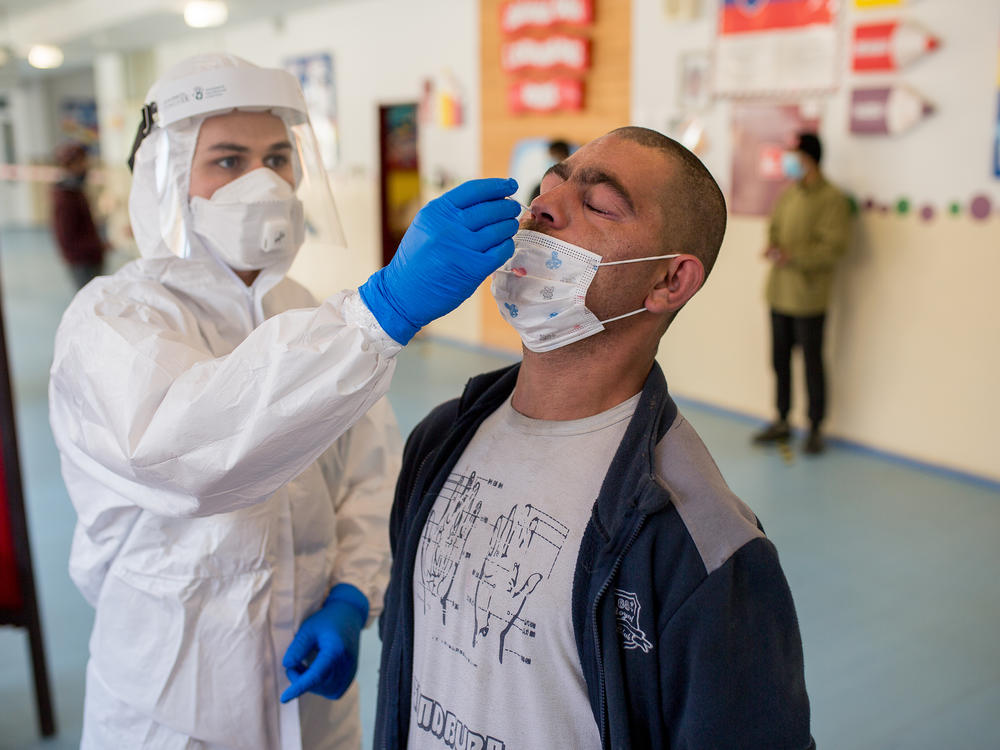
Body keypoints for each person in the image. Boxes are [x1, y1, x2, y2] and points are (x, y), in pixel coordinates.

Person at [48, 53, 520, 750]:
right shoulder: (115, 318)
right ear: (169, 178)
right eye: (228, 161)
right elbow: (188, 453)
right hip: (174, 692)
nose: (262, 181)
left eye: (277, 156)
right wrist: (379, 311)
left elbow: (368, 472)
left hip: (310, 670)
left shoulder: (307, 316)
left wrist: (353, 593)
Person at [375, 127, 814, 749]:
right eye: (547, 187)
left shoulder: (701, 544)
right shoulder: (439, 438)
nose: (544, 208)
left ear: (668, 281)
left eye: (601, 206)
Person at [753, 132, 851, 455]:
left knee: (812, 364)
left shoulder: (832, 199)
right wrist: (774, 246)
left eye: (794, 155)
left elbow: (833, 248)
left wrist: (795, 257)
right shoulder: (789, 194)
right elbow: (775, 227)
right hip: (779, 293)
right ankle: (782, 420)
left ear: (809, 158)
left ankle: (815, 427)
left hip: (809, 298)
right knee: (779, 361)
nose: (789, 162)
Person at [50, 141, 107, 289]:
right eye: (82, 162)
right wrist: (98, 246)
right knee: (88, 297)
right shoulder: (65, 198)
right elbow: (67, 239)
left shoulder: (76, 191)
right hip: (82, 261)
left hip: (91, 257)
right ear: (70, 165)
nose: (86, 166)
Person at [527, 138, 571, 202]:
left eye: (555, 157)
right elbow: (529, 210)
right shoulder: (538, 189)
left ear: (566, 158)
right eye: (550, 158)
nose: (551, 163)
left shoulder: (572, 189)